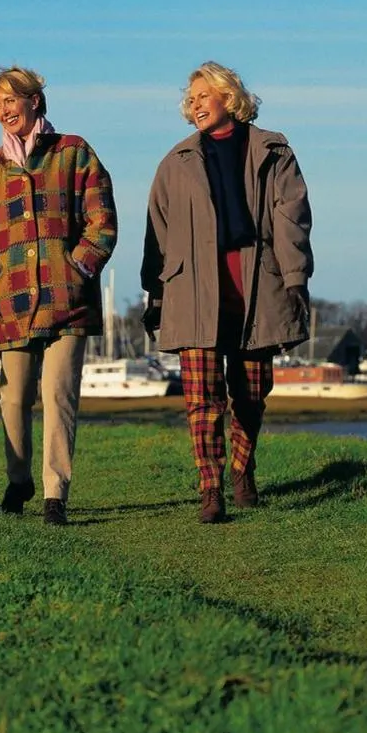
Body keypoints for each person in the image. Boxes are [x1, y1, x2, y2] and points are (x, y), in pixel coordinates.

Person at [141, 61, 314, 523]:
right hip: (192, 290)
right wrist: (154, 295)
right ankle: (210, 489)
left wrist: (296, 278)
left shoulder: (274, 151)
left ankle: (242, 467)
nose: (194, 105)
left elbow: (293, 218)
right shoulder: (174, 163)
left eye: (203, 96)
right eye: (190, 99)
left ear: (228, 98)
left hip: (257, 284)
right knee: (202, 397)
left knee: (253, 392)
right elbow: (156, 230)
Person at [0, 65, 118, 526]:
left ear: (34, 101)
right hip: (13, 304)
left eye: (11, 101)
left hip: (70, 301)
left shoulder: (74, 152)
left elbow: (102, 219)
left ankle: (54, 495)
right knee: (14, 397)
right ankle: (18, 479)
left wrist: (79, 266)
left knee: (59, 394)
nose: (5, 111)